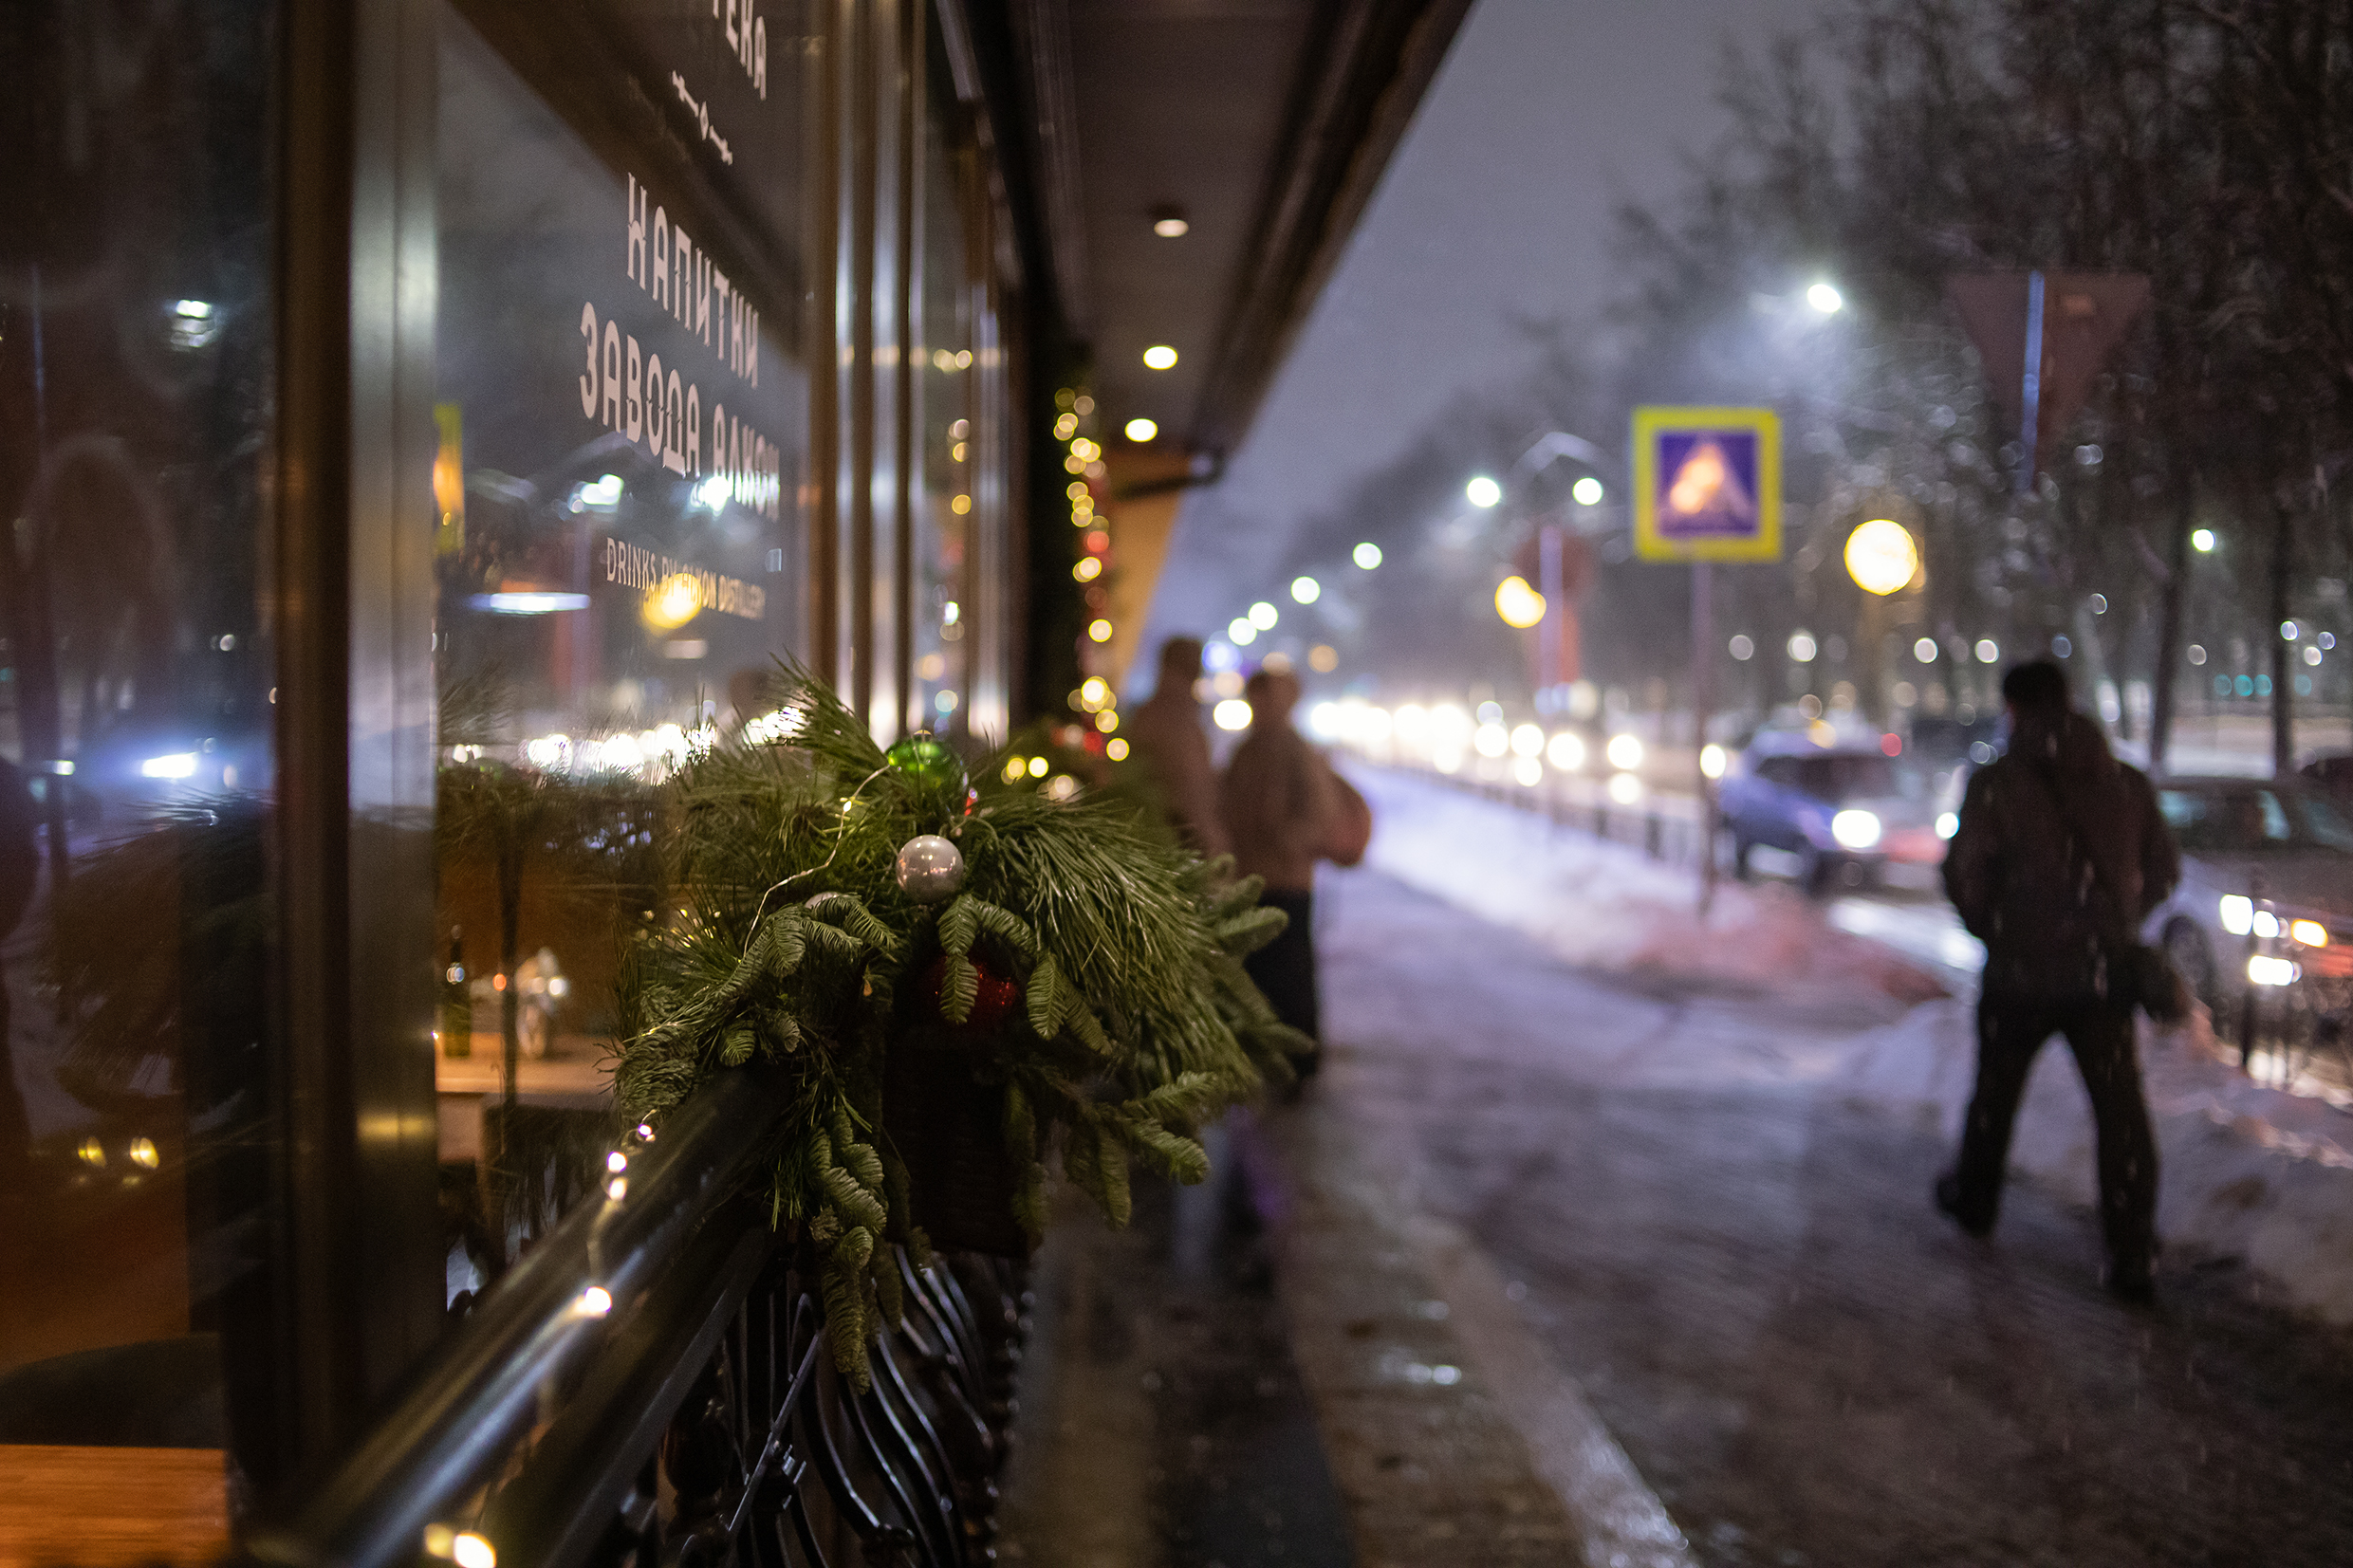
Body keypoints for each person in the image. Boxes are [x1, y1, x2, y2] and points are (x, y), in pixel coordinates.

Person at [1938, 659, 2180, 1301]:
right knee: (2120, 1113)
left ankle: (1975, 1201)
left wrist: (2000, 929)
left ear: (2013, 708)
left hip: (2019, 977)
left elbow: (1965, 873)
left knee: (1994, 1093)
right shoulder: (2123, 781)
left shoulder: (1995, 784)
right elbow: (2161, 868)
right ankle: (2131, 1251)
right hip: (2100, 979)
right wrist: (2109, 924)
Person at [1218, 667, 1345, 1057]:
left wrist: (1286, 838)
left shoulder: (1296, 751)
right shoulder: (1249, 749)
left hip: (1287, 882)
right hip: (1252, 880)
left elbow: (1318, 815)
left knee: (1291, 974)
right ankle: (1265, 1053)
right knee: (1257, 972)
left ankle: (1298, 1058)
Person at [1124, 636, 1232, 859]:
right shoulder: (1175, 719)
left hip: (1153, 835)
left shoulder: (1148, 714)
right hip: (1172, 842)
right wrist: (1211, 838)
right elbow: (1190, 785)